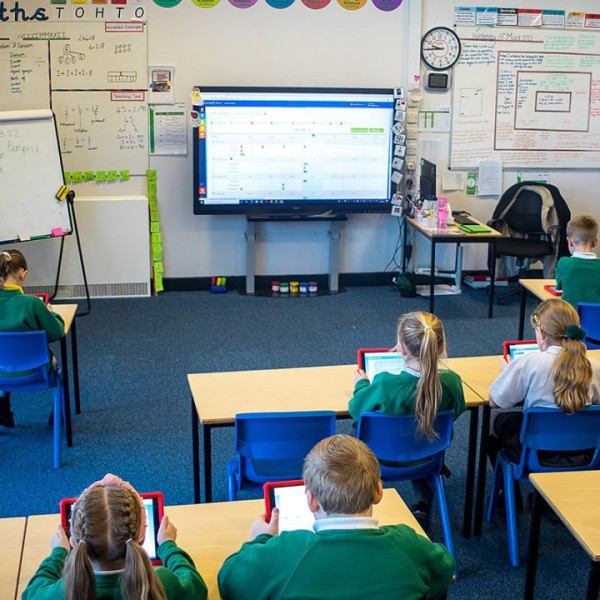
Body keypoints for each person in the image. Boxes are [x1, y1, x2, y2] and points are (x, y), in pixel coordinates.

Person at [218, 435, 455, 600]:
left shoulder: (284, 552)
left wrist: (259, 540)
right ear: (378, 492)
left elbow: (230, 582)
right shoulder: (408, 546)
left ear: (311, 500)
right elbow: (445, 569)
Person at [348, 311, 465, 521]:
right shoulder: (452, 383)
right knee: (418, 437)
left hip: (380, 462)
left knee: (359, 428)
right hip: (428, 457)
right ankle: (423, 498)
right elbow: (456, 411)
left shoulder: (384, 384)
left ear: (401, 349)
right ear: (441, 347)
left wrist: (361, 384)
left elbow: (356, 409)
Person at [22, 473, 207, 600]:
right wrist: (168, 546)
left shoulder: (64, 591)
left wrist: (58, 554)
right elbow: (196, 586)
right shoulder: (162, 583)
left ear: (74, 542)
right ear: (141, 538)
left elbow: (32, 593)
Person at [489, 298, 600, 464]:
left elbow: (495, 401)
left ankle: (506, 487)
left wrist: (505, 374)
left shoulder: (528, 362)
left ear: (541, 332)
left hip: (537, 455)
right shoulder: (594, 366)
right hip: (586, 454)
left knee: (494, 415)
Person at [0, 249, 65, 429]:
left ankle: (2, 401)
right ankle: (57, 421)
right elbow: (56, 333)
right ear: (23, 274)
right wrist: (53, 315)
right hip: (35, 372)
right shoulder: (32, 304)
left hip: (0, 372)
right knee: (57, 368)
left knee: (6, 355)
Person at [555, 214, 600, 308]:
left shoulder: (564, 263)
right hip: (596, 321)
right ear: (596, 242)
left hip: (570, 320)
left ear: (570, 242)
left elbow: (558, 288)